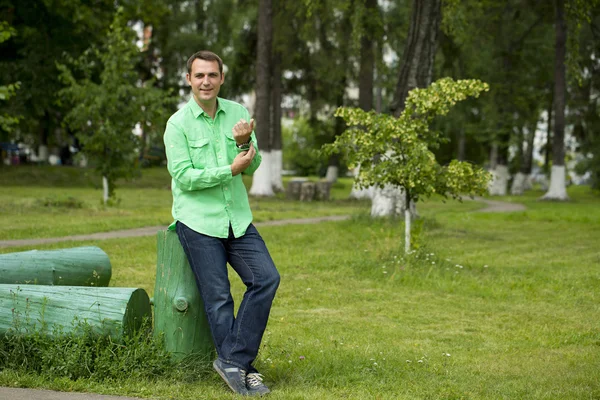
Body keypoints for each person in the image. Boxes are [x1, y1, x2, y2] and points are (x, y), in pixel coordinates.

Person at [163, 50, 280, 396]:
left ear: (221, 78)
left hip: (237, 219)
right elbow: (184, 177)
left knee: (266, 278)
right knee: (218, 298)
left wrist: (244, 144)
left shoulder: (239, 113)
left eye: (212, 75)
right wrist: (230, 170)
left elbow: (253, 165)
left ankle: (233, 360)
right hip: (198, 221)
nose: (206, 81)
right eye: (199, 76)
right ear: (188, 80)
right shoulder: (177, 124)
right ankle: (245, 369)